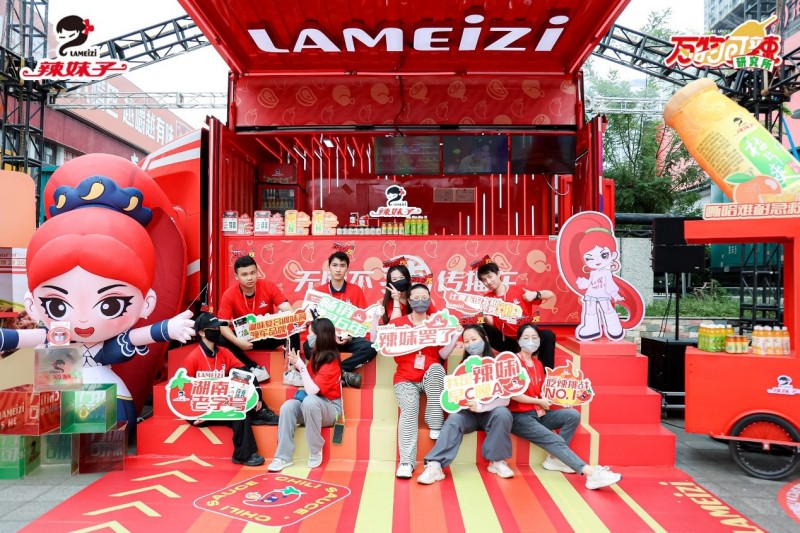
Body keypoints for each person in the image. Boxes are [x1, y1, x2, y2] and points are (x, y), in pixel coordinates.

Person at [0, 175, 195, 440]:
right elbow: (18, 337)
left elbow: (139, 336)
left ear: (146, 303)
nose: (83, 320)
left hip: (107, 396)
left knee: (104, 431)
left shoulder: (103, 346)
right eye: (57, 305)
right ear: (33, 305)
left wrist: (168, 328)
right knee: (54, 424)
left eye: (111, 304)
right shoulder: (54, 337)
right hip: (60, 396)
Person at [509, 323, 622, 489]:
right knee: (554, 439)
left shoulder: (538, 364)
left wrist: (561, 399)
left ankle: (554, 460)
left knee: (572, 414)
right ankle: (590, 473)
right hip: (519, 418)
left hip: (537, 413)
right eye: (526, 338)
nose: (530, 341)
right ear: (518, 340)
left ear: (540, 341)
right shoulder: (511, 362)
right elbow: (512, 394)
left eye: (534, 338)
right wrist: (539, 402)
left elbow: (542, 393)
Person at [417, 325, 515, 484]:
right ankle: (435, 465)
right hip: (469, 415)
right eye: (467, 341)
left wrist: (481, 407)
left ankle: (497, 461)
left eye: (474, 339)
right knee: (454, 418)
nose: (470, 344)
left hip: (490, 414)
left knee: (503, 413)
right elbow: (456, 396)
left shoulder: (498, 363)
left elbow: (506, 399)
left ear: (485, 339)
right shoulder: (463, 367)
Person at [183, 313, 279, 467]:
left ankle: (259, 411)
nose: (217, 331)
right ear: (201, 332)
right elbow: (182, 391)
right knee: (238, 413)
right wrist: (200, 413)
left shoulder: (224, 352)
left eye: (218, 328)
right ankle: (243, 455)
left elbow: (246, 372)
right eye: (213, 329)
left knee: (241, 384)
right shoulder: (192, 358)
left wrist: (258, 394)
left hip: (220, 401)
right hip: (200, 410)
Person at [386, 284, 459, 478]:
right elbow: (382, 343)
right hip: (405, 377)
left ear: (429, 299)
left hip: (430, 374)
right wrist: (376, 322)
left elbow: (442, 355)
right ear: (409, 301)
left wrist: (455, 337)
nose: (420, 301)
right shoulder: (399, 323)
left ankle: (435, 422)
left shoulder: (437, 323)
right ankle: (406, 462)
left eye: (424, 297)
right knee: (409, 413)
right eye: (416, 298)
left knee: (437, 368)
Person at [268, 318, 343, 472]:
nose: (308, 337)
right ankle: (283, 457)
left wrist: (301, 366)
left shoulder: (331, 362)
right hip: (313, 406)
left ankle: (315, 450)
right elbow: (307, 381)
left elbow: (312, 391)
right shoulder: (316, 355)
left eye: (311, 334)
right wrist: (294, 366)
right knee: (287, 407)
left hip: (330, 408)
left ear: (321, 336)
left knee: (310, 401)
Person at [556, 212, 644, 341]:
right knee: (590, 310)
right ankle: (591, 328)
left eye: (603, 255)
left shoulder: (606, 273)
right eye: (589, 258)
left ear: (613, 255)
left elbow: (610, 284)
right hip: (591, 294)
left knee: (607, 309)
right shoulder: (593, 273)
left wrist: (615, 295)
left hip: (603, 294)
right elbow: (590, 283)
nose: (597, 261)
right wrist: (583, 283)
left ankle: (614, 328)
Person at [217, 255, 301, 384]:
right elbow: (223, 325)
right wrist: (238, 342)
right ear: (236, 276)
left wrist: (292, 317)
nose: (250, 278)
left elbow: (288, 310)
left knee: (292, 326)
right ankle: (252, 368)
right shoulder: (229, 294)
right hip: (246, 338)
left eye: (252, 273)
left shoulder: (268, 286)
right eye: (244, 275)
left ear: (257, 272)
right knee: (219, 338)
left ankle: (291, 371)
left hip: (268, 334)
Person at [303, 251, 377, 388]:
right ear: (329, 267)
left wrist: (349, 335)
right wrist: (330, 336)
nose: (338, 269)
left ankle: (336, 372)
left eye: (342, 266)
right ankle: (341, 375)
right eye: (335, 265)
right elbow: (314, 322)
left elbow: (362, 321)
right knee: (308, 346)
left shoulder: (356, 290)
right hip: (327, 339)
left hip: (349, 338)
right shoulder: (319, 291)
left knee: (372, 347)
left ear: (347, 268)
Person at [476, 260, 557, 368]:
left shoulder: (520, 290)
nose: (488, 282)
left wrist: (535, 294)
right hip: (505, 341)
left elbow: (550, 294)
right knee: (480, 328)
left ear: (498, 274)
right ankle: (482, 368)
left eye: (490, 277)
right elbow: (491, 323)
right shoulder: (487, 298)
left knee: (548, 335)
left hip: (526, 339)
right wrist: (483, 316)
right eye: (484, 280)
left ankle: (545, 373)